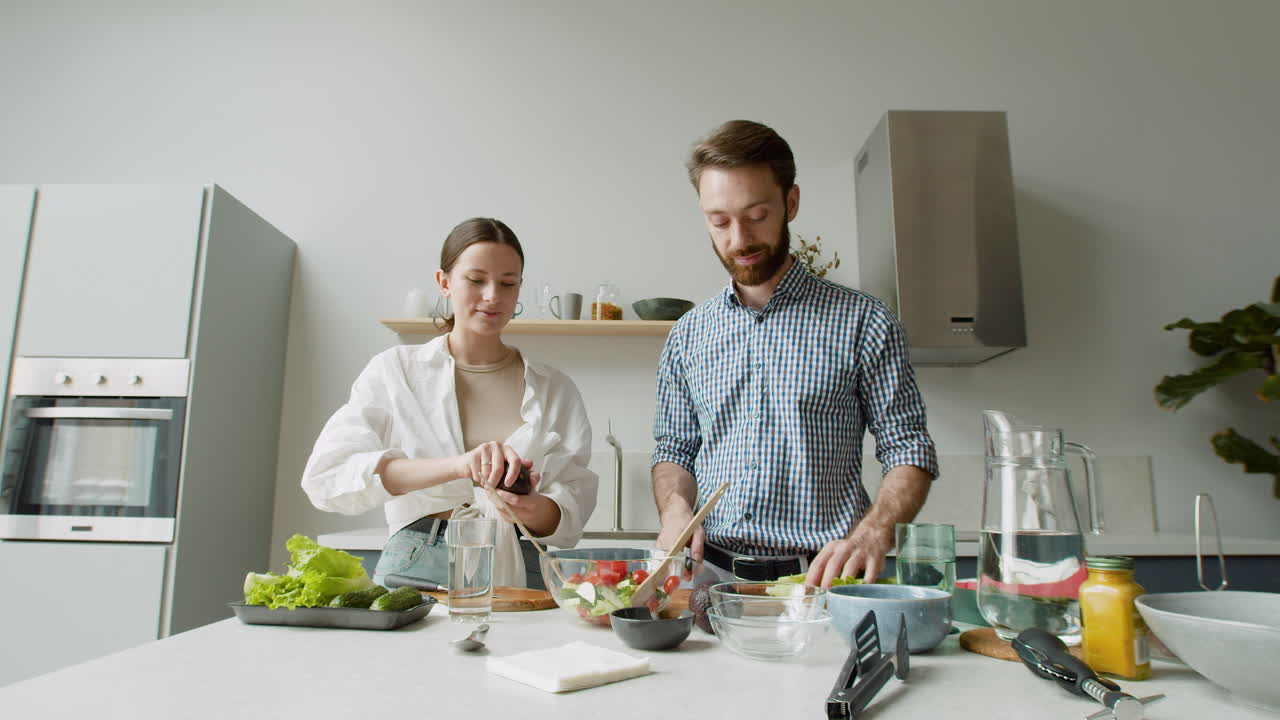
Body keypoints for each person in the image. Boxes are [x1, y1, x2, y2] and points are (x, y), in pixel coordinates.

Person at [650, 120, 939, 589]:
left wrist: (876, 531)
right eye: (719, 221)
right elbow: (674, 450)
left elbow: (907, 446)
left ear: (791, 203)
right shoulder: (687, 336)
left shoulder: (864, 322)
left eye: (757, 214)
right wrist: (675, 508)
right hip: (709, 580)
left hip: (825, 581)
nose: (738, 238)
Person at [302, 218, 598, 590]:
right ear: (444, 282)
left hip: (525, 568)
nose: (493, 295)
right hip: (418, 560)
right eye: (476, 280)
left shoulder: (556, 388)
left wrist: (529, 506)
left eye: (508, 283)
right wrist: (459, 467)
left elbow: (572, 508)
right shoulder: (395, 372)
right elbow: (327, 478)